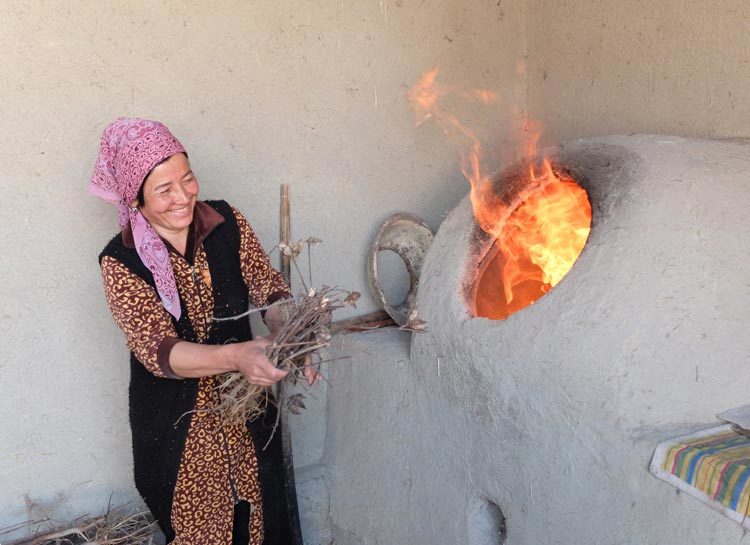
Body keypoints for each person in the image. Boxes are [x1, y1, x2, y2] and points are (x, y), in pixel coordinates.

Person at [89, 118, 313, 545]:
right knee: (200, 532)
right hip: (177, 429)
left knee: (265, 519)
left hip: (249, 413)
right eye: (164, 190)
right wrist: (236, 357)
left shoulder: (224, 222)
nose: (183, 196)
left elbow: (269, 291)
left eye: (187, 179)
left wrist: (293, 337)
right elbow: (159, 351)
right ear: (135, 199)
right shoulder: (121, 261)